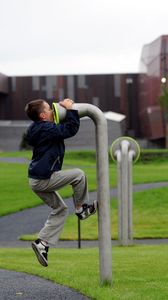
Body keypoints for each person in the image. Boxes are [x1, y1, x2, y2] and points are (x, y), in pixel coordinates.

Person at [25, 98, 97, 267]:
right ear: (43, 115)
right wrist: (70, 109)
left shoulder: (38, 128)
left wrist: (63, 113)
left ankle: (42, 243)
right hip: (44, 179)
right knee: (78, 175)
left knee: (61, 209)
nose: (53, 110)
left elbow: (57, 129)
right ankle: (81, 209)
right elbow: (71, 129)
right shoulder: (46, 128)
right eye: (49, 109)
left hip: (35, 179)